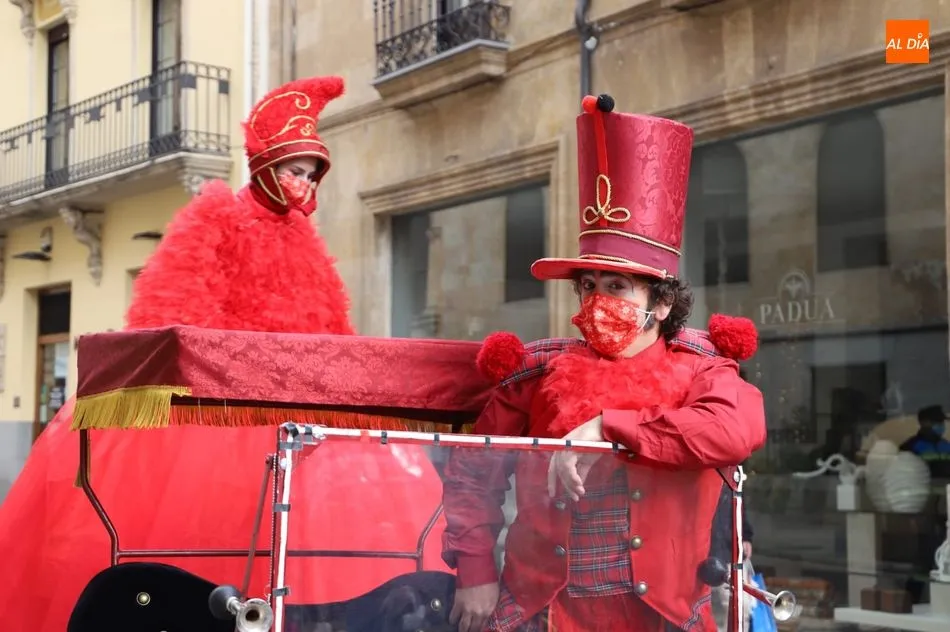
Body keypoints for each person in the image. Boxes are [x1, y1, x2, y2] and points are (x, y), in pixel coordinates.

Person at [0, 75, 447, 630]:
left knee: (298, 551)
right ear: (263, 164)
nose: (304, 185)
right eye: (294, 171)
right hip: (215, 420)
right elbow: (169, 315)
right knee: (206, 542)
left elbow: (333, 334)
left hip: (299, 427)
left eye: (311, 176)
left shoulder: (306, 240)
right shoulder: (217, 216)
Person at [441, 94, 767, 632]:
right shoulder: (535, 374)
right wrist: (475, 569)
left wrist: (604, 427)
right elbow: (473, 476)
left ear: (661, 305)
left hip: (661, 616)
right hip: (545, 611)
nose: (597, 301)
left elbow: (734, 431)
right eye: (588, 286)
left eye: (617, 287)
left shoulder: (703, 369)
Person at [900, 405, 950, 478]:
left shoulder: (946, 444)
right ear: (924, 423)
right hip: (922, 486)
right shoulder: (910, 446)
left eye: (942, 422)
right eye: (937, 422)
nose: (941, 425)